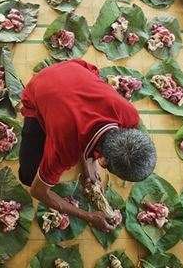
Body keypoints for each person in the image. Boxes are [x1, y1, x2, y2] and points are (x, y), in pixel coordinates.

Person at [18, 59, 157, 232]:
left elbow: (90, 129)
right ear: (103, 162)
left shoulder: (129, 114)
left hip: (73, 69)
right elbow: (38, 191)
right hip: (39, 87)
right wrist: (89, 216)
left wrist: (87, 165)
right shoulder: (64, 150)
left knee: (74, 127)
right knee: (28, 176)